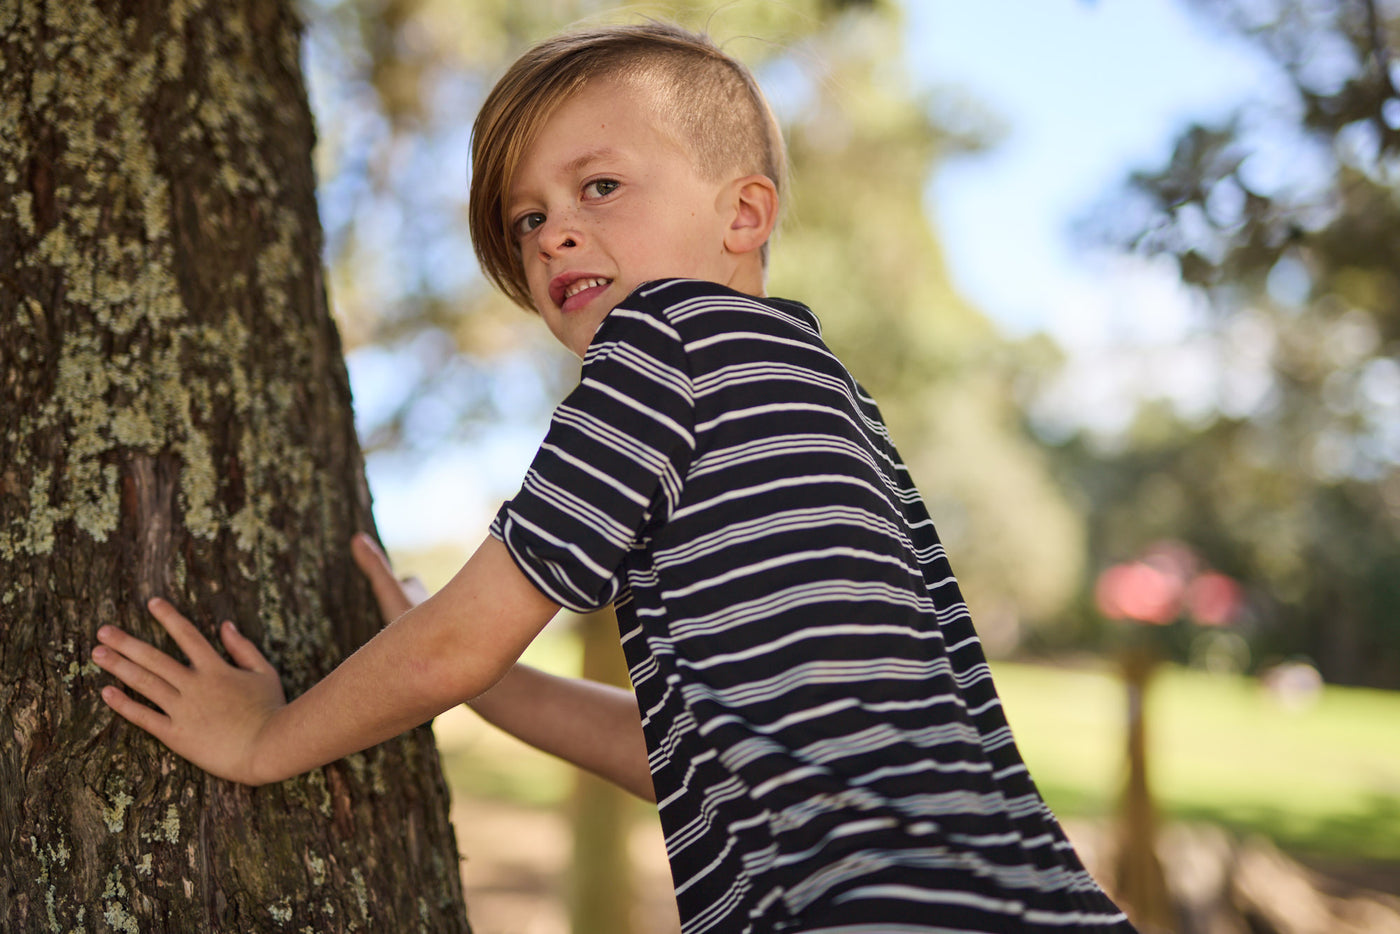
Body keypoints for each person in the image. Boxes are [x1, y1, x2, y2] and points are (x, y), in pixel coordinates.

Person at [92, 21, 1137, 934]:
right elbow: (702, 751)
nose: (553, 232)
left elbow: (462, 633)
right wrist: (493, 690)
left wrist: (268, 737)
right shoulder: (820, 396)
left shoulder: (660, 339)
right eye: (525, 219)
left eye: (597, 185)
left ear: (743, 214)